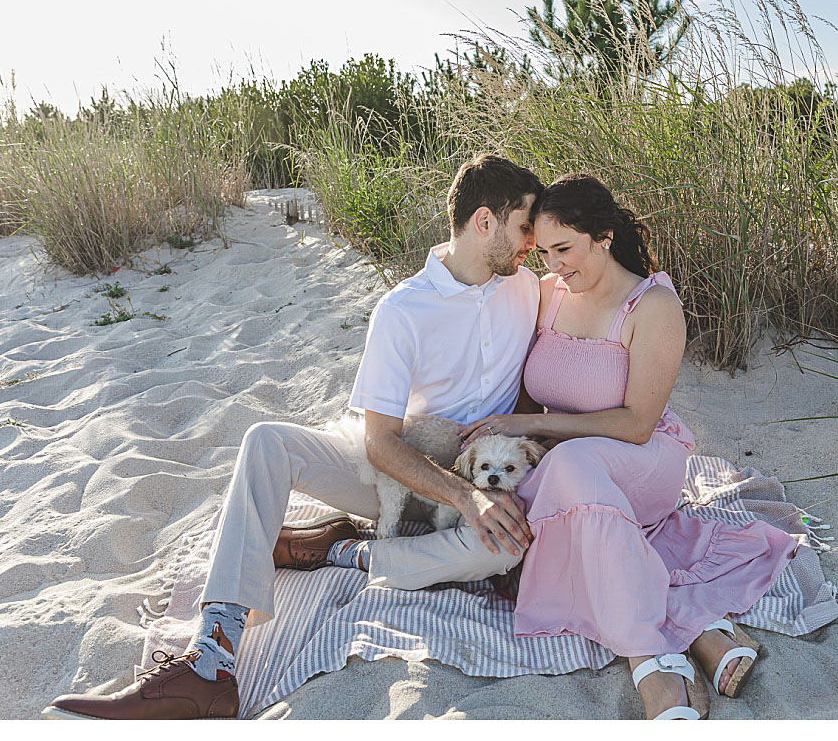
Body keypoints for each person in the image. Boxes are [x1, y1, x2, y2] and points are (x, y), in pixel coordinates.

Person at [44, 154, 545, 719]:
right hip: (404, 474)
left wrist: (494, 479)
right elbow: (381, 443)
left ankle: (342, 550)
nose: (534, 241)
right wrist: (461, 494)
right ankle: (212, 660)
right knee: (266, 441)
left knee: (496, 546)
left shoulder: (530, 290)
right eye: (525, 226)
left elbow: (534, 389)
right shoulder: (402, 310)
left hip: (487, 480)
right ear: (484, 222)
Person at [459, 175, 799, 721]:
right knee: (568, 472)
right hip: (567, 466)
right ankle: (697, 627)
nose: (553, 265)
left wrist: (523, 421)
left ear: (604, 236)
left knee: (571, 465)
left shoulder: (653, 305)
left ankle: (647, 656)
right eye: (543, 252)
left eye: (564, 249)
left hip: (642, 463)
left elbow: (638, 423)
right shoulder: (547, 295)